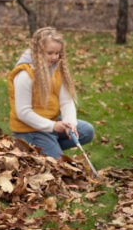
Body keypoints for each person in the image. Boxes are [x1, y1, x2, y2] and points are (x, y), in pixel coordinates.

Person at [8, 26, 95, 159]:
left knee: (87, 131)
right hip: (29, 130)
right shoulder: (25, 75)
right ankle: (40, 148)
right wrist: (53, 126)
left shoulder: (56, 69)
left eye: (57, 53)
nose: (55, 57)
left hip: (52, 123)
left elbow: (66, 101)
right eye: (50, 53)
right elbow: (23, 113)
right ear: (37, 52)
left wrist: (69, 124)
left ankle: (49, 147)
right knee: (58, 166)